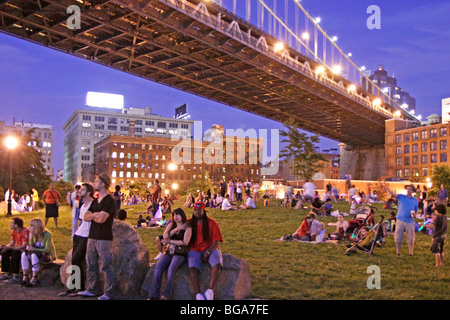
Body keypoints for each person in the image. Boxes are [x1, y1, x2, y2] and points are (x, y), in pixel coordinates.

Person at [78, 174, 116, 300]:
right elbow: (85, 217)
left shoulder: (109, 200)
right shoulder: (95, 201)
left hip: (104, 238)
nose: (94, 183)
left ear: (103, 184)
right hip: (92, 236)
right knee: (91, 264)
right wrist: (96, 214)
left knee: (106, 266)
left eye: (97, 181)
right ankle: (92, 289)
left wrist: (94, 215)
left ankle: (108, 293)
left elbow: (102, 219)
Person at [58, 183, 94, 297]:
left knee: (76, 259)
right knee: (74, 261)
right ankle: (72, 287)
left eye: (82, 190)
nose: (80, 191)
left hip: (87, 235)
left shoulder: (93, 204)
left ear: (88, 192)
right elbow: (80, 220)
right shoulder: (83, 205)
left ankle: (79, 287)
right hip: (79, 235)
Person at [148, 208, 192, 300]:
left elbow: (185, 242)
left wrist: (171, 241)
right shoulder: (171, 225)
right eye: (174, 215)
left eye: (177, 214)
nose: (175, 217)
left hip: (180, 253)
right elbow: (165, 236)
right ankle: (153, 295)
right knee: (158, 268)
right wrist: (177, 228)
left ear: (182, 215)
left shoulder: (187, 227)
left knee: (171, 270)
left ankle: (166, 295)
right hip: (169, 252)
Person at [188, 202, 223, 300]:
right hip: (194, 249)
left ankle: (210, 291)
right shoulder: (189, 223)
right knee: (193, 268)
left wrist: (208, 252)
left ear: (204, 211)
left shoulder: (212, 223)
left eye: (199, 210)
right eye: (195, 210)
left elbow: (216, 241)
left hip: (210, 248)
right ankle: (198, 294)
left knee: (216, 264)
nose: (197, 212)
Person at [21, 218, 57, 287]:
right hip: (37, 254)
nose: (29, 228)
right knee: (24, 254)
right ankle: (25, 276)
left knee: (34, 255)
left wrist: (33, 248)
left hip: (47, 255)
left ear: (36, 227)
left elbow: (46, 249)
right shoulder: (34, 234)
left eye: (31, 226)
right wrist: (30, 238)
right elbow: (31, 246)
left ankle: (34, 278)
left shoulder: (47, 234)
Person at [388, 184, 418, 256]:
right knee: (398, 236)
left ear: (413, 191)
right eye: (407, 189)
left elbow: (416, 210)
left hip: (410, 221)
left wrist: (415, 215)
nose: (408, 190)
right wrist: (389, 190)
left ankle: (411, 252)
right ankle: (398, 252)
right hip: (400, 220)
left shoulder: (415, 200)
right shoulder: (401, 197)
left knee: (410, 237)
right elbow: (394, 195)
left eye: (410, 189)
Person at [0, 218, 30, 284]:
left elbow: (24, 246)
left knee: (15, 252)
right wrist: (5, 247)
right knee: (6, 251)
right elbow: (11, 244)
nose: (10, 224)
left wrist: (11, 248)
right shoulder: (14, 231)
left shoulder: (25, 231)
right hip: (19, 249)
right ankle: (7, 273)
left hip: (25, 251)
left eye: (11, 223)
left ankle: (15, 276)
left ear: (16, 225)